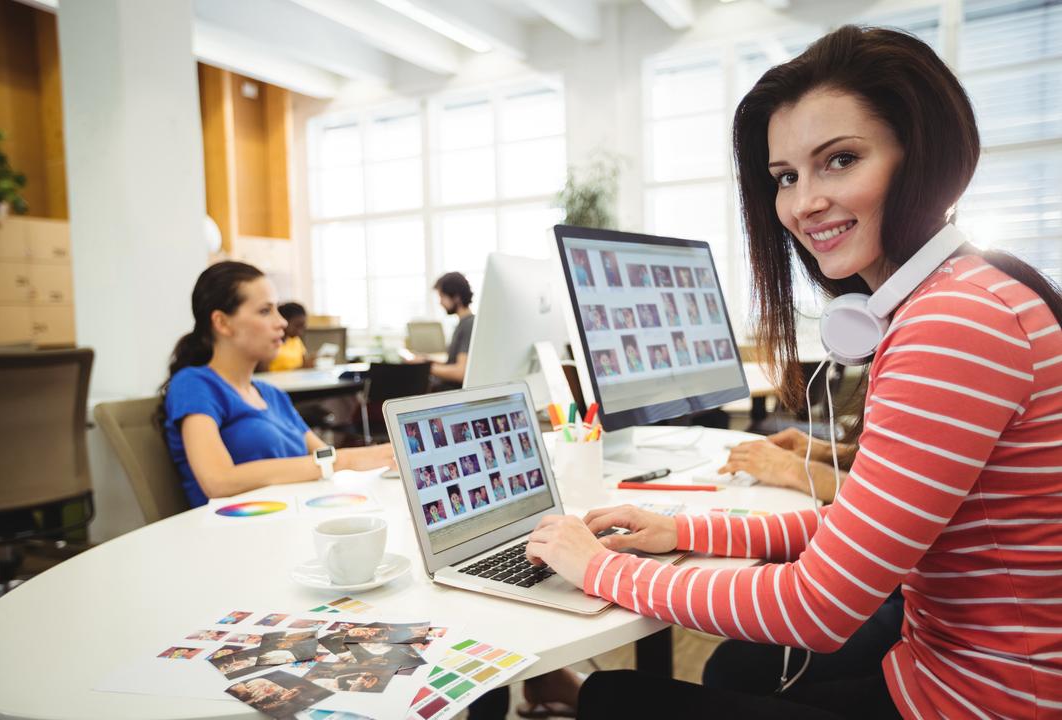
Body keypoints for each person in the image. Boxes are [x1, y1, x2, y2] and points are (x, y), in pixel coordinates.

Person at [521, 26, 1062, 719]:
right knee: (735, 669)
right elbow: (858, 527)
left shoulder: (953, 325)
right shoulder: (973, 291)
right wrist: (685, 530)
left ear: (920, 157)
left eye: (840, 160)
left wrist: (599, 569)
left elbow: (818, 607)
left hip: (985, 703)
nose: (803, 203)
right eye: (786, 177)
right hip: (948, 673)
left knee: (611, 696)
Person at [160, 261, 394, 508]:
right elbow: (218, 480)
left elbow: (323, 456)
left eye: (278, 310)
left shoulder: (272, 395)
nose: (281, 322)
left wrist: (363, 459)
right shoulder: (194, 385)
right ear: (222, 323)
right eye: (265, 311)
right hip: (237, 532)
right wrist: (344, 460)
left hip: (292, 517)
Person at [427, 272, 474, 390]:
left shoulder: (469, 325)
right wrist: (426, 361)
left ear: (456, 297)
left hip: (449, 391)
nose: (440, 302)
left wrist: (425, 368)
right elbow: (452, 363)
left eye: (442, 296)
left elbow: (460, 372)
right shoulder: (462, 323)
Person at [265, 302, 313, 371]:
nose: (300, 331)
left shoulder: (296, 340)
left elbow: (304, 364)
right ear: (284, 321)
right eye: (297, 326)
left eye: (303, 327)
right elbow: (264, 374)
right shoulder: (269, 342)